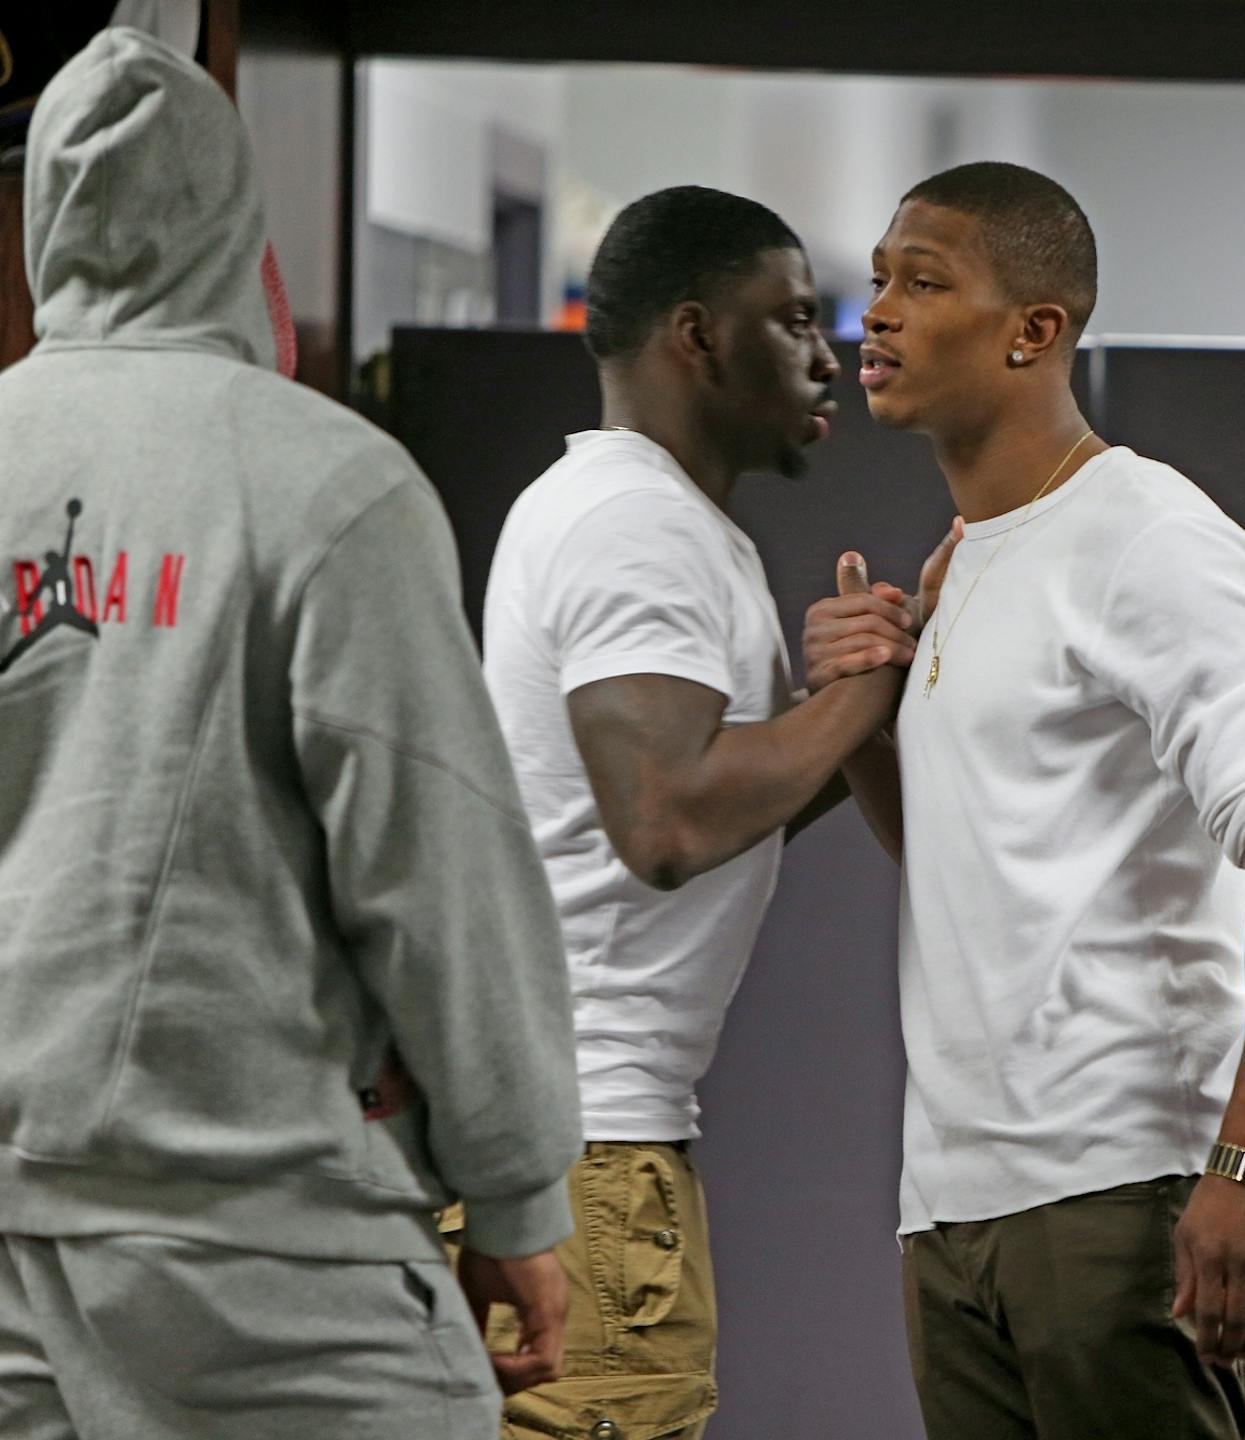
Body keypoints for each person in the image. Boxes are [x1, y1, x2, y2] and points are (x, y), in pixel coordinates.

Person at [0, 28, 582, 1440]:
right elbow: (436, 865)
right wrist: (515, 1192)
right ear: (234, 224)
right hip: (266, 1246)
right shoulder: (326, 485)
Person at [801, 161, 1245, 1440]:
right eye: (877, 281)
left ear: (1033, 330)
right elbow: (961, 850)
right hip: (953, 1206)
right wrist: (867, 711)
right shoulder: (964, 563)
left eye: (923, 282)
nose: (876, 313)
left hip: (1118, 1191)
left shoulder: (1149, 536)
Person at [472, 185, 906, 1440]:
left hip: (580, 1146)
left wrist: (837, 713)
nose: (830, 354)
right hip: (590, 1156)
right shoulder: (638, 525)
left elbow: (714, 805)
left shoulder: (646, 517)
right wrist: (864, 690)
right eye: (794, 320)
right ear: (698, 335)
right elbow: (667, 825)